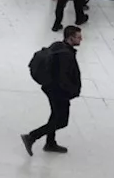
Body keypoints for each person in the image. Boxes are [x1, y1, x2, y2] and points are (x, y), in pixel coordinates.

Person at [21, 25, 83, 156]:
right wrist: (72, 91)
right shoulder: (66, 55)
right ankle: (31, 137)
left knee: (55, 115)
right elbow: (63, 77)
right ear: (70, 38)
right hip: (58, 92)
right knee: (61, 121)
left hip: (50, 88)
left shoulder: (58, 46)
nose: (81, 39)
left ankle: (50, 142)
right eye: (78, 37)